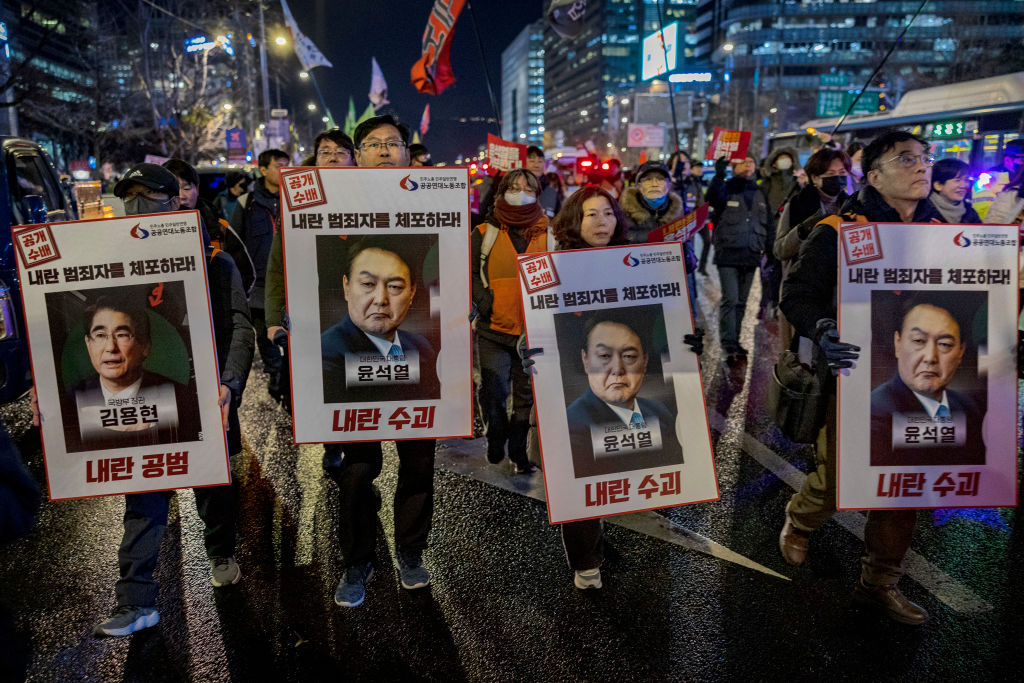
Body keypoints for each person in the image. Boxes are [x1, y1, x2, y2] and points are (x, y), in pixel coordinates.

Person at [64, 161, 253, 637]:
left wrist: (229, 382)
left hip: (205, 396)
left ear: (176, 202)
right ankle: (135, 599)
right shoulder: (109, 264)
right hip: (145, 403)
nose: (137, 207)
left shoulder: (214, 259)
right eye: (129, 198)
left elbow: (238, 326)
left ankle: (220, 551)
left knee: (214, 487)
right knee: (144, 494)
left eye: (149, 197)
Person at [778, 130, 942, 626]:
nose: (921, 167)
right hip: (854, 373)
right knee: (839, 476)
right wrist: (823, 327)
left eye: (925, 158)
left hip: (925, 379)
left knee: (904, 486)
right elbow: (798, 295)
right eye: (906, 159)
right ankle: (800, 520)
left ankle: (880, 582)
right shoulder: (839, 228)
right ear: (873, 175)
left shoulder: (948, 230)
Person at [525, 185, 701, 589]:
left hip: (631, 387)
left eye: (607, 213)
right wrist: (529, 351)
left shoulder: (636, 263)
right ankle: (587, 562)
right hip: (571, 387)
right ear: (574, 220)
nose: (601, 222)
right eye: (590, 214)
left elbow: (661, 318)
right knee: (577, 476)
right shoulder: (553, 268)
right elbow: (534, 328)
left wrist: (685, 339)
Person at [324, 114, 438, 608]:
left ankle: (410, 553)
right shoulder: (327, 200)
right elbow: (287, 257)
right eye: (374, 144)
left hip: (411, 378)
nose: (386, 151)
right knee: (355, 471)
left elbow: (455, 255)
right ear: (357, 153)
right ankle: (357, 561)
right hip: (353, 388)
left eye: (395, 143)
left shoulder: (432, 198)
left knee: (418, 463)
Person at [264, 129, 356, 410]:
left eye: (341, 152)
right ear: (314, 160)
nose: (332, 158)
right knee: (319, 381)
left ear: (354, 160)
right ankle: (331, 443)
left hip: (359, 305)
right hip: (313, 309)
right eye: (325, 152)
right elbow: (279, 265)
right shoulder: (297, 201)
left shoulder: (372, 195)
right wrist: (273, 318)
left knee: (356, 378)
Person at [471, 169, 548, 473]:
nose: (521, 193)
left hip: (533, 333)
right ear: (501, 192)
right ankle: (496, 433)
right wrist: (483, 300)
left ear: (537, 193)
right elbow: (468, 272)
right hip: (493, 330)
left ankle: (517, 449)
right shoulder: (483, 233)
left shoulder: (550, 233)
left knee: (526, 395)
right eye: (514, 188)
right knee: (494, 388)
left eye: (528, 188)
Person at [60, 295, 201, 452]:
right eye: (100, 335)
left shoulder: (184, 400)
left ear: (145, 346)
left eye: (122, 335)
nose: (110, 347)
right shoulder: (68, 403)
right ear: (88, 343)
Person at [321, 237, 439, 403]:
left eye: (395, 287)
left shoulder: (422, 348)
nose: (380, 299)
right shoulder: (327, 353)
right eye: (368, 284)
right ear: (346, 287)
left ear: (412, 292)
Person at [566, 313, 684, 479]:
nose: (617, 369)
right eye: (604, 356)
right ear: (585, 360)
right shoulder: (574, 426)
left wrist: (689, 359)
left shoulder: (659, 412)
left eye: (629, 356)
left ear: (644, 362)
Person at [870, 300, 984, 467]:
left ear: (960, 352)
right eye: (918, 341)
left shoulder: (970, 408)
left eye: (944, 344)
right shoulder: (875, 412)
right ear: (898, 344)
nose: (930, 357)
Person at [774, 148, 851, 349]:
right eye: (831, 175)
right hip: (804, 291)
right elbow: (780, 249)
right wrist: (804, 228)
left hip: (842, 292)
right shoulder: (798, 205)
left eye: (842, 174)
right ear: (815, 178)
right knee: (802, 354)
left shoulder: (852, 207)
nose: (838, 179)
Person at [620, 161, 702, 321]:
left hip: (671, 298)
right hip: (637, 297)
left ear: (668, 185)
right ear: (638, 185)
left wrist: (685, 254)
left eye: (660, 179)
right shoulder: (622, 216)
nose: (654, 183)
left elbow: (690, 268)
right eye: (648, 179)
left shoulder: (679, 217)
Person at [706, 155, 768, 365]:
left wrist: (769, 249)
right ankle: (728, 343)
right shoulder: (726, 187)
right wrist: (719, 174)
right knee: (730, 299)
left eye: (751, 162)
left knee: (742, 302)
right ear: (734, 167)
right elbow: (712, 199)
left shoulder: (760, 191)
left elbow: (767, 222)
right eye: (743, 162)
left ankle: (737, 340)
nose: (748, 165)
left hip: (751, 254)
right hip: (728, 254)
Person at [163, 159, 255, 299]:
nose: (181, 196)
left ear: (197, 189)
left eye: (186, 188)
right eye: (174, 190)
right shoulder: (150, 232)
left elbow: (246, 274)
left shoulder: (220, 228)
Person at [758, 148, 800, 320]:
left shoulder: (798, 183)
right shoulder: (767, 183)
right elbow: (760, 210)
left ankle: (788, 302)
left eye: (787, 158)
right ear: (773, 162)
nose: (784, 161)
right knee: (773, 270)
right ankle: (772, 302)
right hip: (771, 234)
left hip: (793, 234)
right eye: (781, 158)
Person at [667, 150, 711, 275]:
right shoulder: (666, 182)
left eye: (686, 161)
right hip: (668, 237)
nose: (684, 164)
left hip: (687, 238)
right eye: (679, 161)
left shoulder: (693, 185)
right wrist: (674, 180)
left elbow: (700, 208)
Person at [929, 158, 981, 224]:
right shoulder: (922, 211)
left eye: (966, 180)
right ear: (938, 185)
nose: (963, 185)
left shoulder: (970, 213)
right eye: (957, 180)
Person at [526, 145, 562, 218]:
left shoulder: (551, 192)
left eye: (540, 161)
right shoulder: (516, 190)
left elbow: (558, 218)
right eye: (532, 161)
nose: (537, 165)